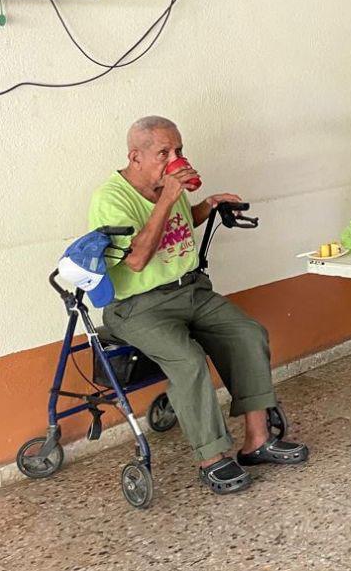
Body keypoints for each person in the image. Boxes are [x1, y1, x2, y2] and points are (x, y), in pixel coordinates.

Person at [87, 117, 308, 496]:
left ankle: (257, 441)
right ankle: (212, 458)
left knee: (247, 333)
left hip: (190, 291)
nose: (175, 159)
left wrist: (206, 205)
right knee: (188, 360)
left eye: (179, 150)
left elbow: (179, 223)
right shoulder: (111, 199)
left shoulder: (164, 186)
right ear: (135, 157)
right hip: (138, 306)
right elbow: (137, 259)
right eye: (164, 153)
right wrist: (169, 197)